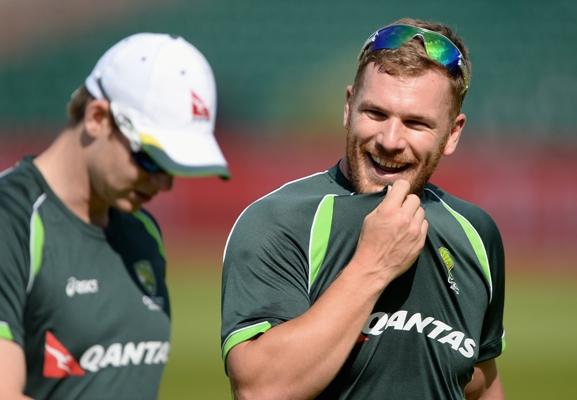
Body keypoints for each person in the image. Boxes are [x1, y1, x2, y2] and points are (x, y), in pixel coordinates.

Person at [221, 18, 505, 399]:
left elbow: (481, 382)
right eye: (375, 114)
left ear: (452, 133)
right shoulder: (279, 222)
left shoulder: (475, 233)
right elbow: (261, 389)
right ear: (348, 106)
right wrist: (374, 265)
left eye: (415, 123)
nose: (390, 140)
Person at [0, 32, 229, 399]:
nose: (164, 183)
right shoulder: (11, 220)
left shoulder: (142, 231)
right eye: (151, 160)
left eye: (175, 168)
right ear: (96, 117)